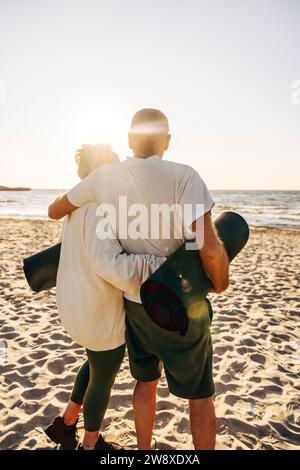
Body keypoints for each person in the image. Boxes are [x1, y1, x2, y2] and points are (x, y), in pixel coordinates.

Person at [48, 109, 229, 450]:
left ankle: (144, 451)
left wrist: (84, 194)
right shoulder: (185, 176)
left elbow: (55, 209)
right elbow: (208, 249)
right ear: (168, 142)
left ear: (129, 140)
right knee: (200, 395)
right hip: (181, 304)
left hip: (135, 307)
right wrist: (220, 283)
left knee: (145, 384)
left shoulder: (105, 179)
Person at [45, 143, 164, 450]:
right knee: (103, 378)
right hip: (98, 310)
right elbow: (109, 265)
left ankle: (66, 424)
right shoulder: (101, 209)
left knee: (95, 363)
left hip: (78, 304)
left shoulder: (77, 204)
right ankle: (90, 445)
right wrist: (156, 265)